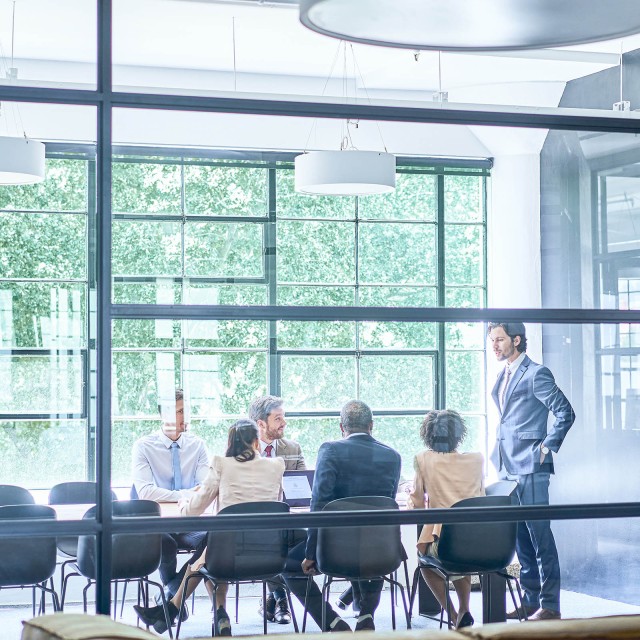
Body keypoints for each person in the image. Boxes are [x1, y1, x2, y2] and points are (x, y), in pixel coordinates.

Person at [134, 418, 286, 636]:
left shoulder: (222, 464)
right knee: (208, 546)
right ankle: (180, 611)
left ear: (229, 443)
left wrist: (184, 501)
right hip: (268, 551)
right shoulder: (276, 465)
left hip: (227, 554)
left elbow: (192, 512)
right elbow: (276, 504)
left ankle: (184, 610)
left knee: (211, 547)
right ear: (256, 442)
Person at [282, 399, 402, 632]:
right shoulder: (393, 456)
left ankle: (332, 622)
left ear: (341, 427)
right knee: (367, 552)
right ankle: (366, 614)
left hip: (335, 550)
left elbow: (319, 503)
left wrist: (310, 553)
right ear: (371, 425)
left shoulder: (331, 450)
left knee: (288, 566)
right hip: (382, 550)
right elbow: (386, 506)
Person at [488, 322, 575, 621]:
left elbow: (565, 411)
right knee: (521, 537)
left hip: (531, 465)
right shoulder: (504, 373)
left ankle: (550, 604)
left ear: (516, 339)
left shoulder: (537, 373)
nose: (494, 345)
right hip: (506, 465)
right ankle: (529, 599)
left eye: (499, 339)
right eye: (492, 340)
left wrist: (546, 447)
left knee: (540, 538)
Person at [131, 388, 209, 608]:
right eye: (180, 411)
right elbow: (145, 492)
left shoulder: (198, 445)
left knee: (214, 539)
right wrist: (185, 494)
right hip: (159, 524)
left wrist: (188, 495)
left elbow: (206, 487)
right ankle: (173, 597)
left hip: (189, 522)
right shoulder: (144, 446)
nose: (185, 416)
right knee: (163, 540)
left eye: (186, 410)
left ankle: (171, 593)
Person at [408, 410, 484, 630]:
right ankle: (465, 609)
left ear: (428, 435)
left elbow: (418, 504)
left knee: (424, 562)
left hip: (444, 543)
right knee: (461, 556)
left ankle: (452, 615)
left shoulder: (423, 459)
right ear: (459, 434)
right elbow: (480, 496)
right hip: (478, 541)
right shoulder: (476, 459)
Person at [248, 395, 305, 624]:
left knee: (295, 537)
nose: (284, 423)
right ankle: (281, 598)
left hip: (287, 520)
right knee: (271, 537)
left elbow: (303, 492)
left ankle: (272, 598)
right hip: (254, 523)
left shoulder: (293, 448)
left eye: (284, 417)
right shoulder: (242, 451)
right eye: (278, 418)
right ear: (261, 424)